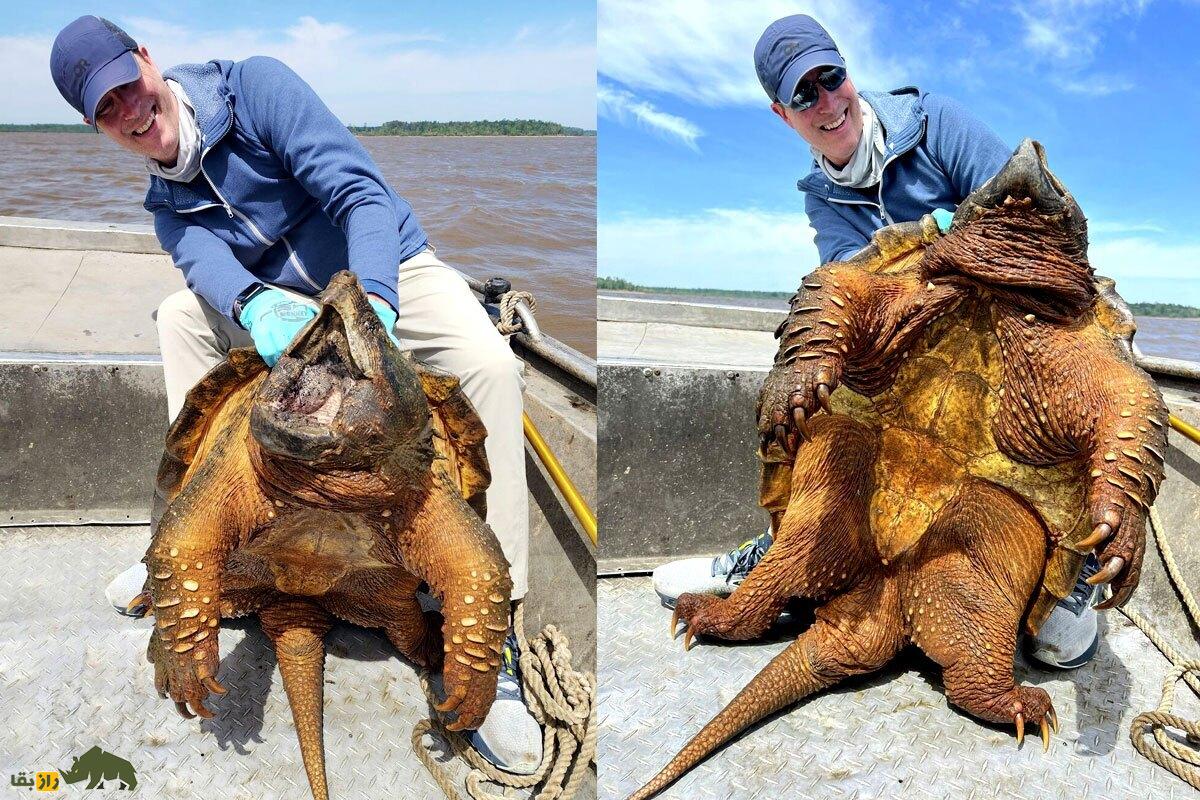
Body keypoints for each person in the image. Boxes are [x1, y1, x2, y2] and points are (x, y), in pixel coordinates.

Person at [50, 15, 540, 771]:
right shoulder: (164, 204)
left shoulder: (255, 89)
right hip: (285, 304)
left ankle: (495, 632)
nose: (128, 112)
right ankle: (182, 539)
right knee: (181, 316)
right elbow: (203, 269)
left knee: (491, 366)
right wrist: (254, 305)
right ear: (94, 126)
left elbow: (362, 196)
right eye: (104, 109)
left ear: (147, 60)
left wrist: (375, 301)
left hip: (383, 266)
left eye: (127, 86)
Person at [652, 13, 1103, 671]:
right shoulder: (820, 198)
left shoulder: (936, 124)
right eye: (803, 95)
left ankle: (1077, 564)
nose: (826, 103)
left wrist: (940, 237)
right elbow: (853, 283)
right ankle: (790, 545)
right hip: (913, 349)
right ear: (785, 115)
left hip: (1001, 326)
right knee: (814, 386)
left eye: (830, 79)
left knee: (1088, 378)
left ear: (848, 73)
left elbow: (1026, 212)